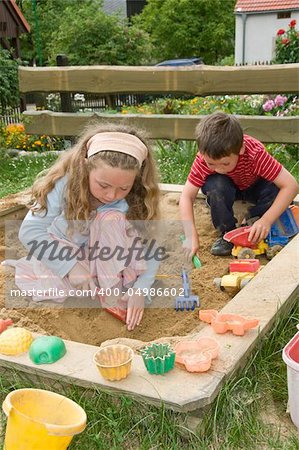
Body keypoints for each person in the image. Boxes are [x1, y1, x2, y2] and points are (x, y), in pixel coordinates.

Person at [5, 123, 161, 331]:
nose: (111, 195)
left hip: (105, 258)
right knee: (56, 287)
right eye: (103, 185)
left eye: (124, 187)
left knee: (111, 219)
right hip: (69, 252)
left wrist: (141, 288)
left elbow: (150, 246)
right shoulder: (65, 184)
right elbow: (30, 232)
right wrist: (70, 266)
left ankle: (111, 288)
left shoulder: (136, 196)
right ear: (86, 167)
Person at [179, 111, 299, 257]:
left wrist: (266, 220)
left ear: (240, 148)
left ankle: (256, 225)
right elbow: (186, 196)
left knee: (274, 188)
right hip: (228, 189)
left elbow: (291, 185)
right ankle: (227, 234)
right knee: (215, 185)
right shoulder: (203, 159)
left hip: (256, 187)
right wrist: (190, 234)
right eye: (211, 164)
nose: (218, 169)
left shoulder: (255, 153)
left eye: (225, 163)